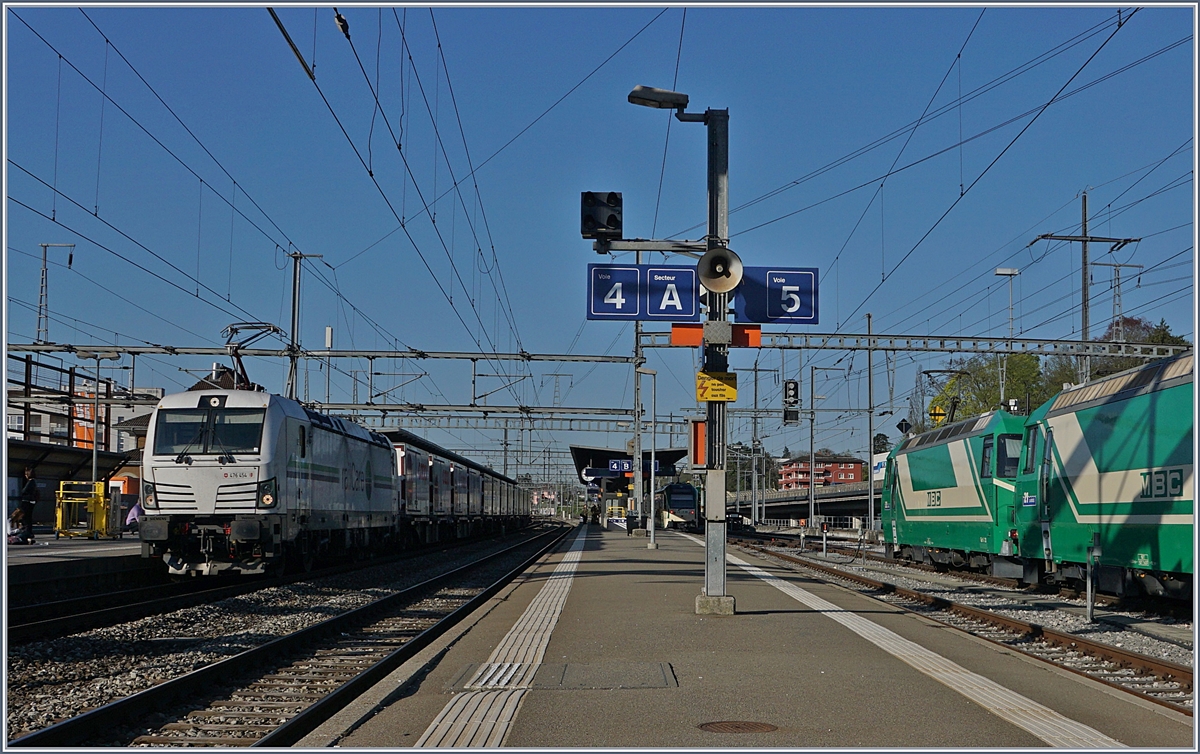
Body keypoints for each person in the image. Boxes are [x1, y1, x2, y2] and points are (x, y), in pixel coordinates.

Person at [18, 466, 38, 544]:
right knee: (28, 517)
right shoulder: (34, 482)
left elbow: (24, 491)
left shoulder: (31, 482)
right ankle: (29, 533)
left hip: (27, 501)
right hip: (31, 501)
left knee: (25, 517)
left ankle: (27, 532)